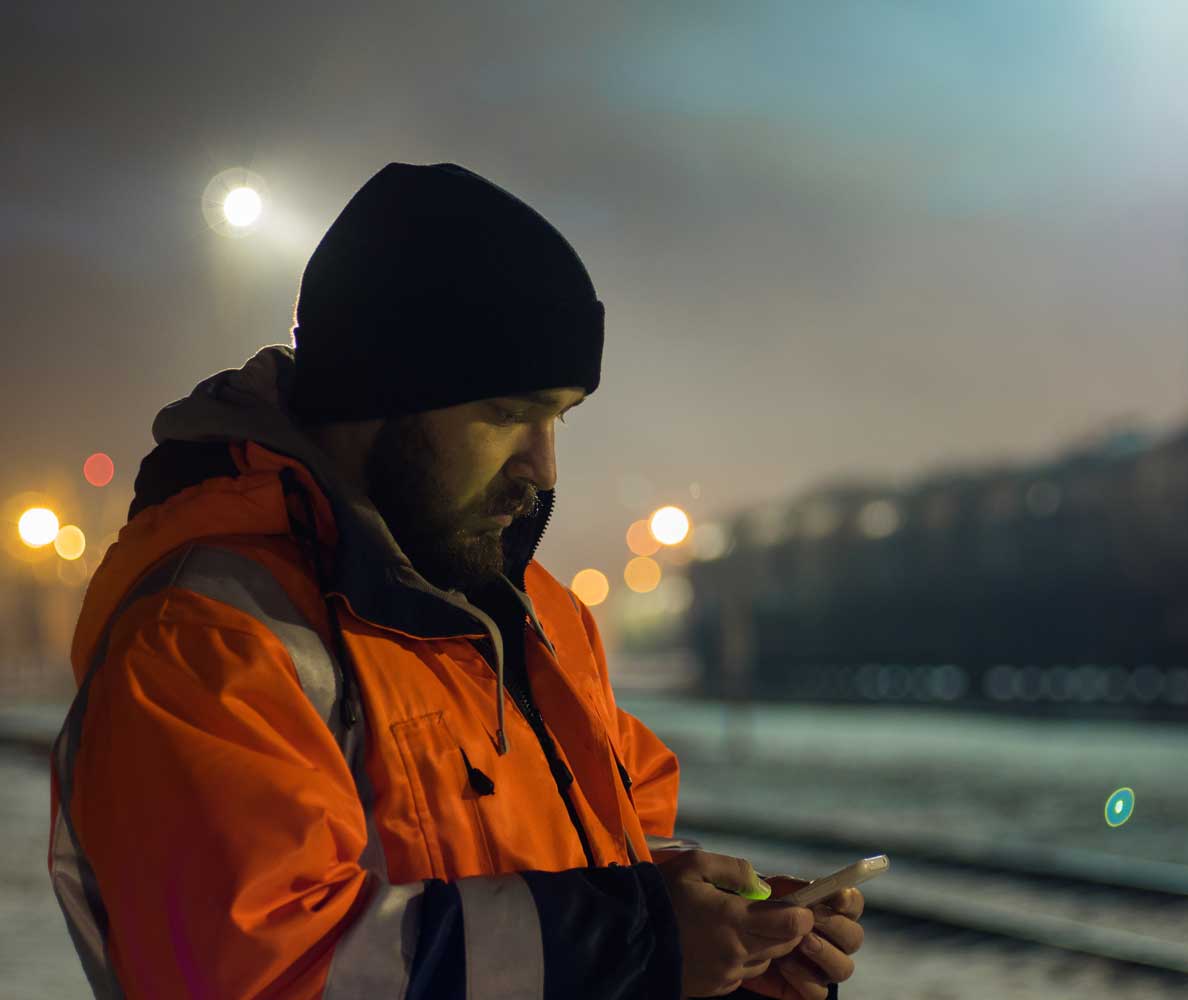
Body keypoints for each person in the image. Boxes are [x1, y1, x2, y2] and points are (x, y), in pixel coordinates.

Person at [48, 161, 864, 998]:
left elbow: (552, 873)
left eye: (560, 417)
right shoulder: (209, 637)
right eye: (508, 415)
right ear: (377, 397)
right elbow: (264, 972)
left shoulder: (536, 615)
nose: (543, 468)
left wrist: (723, 952)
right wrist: (637, 941)